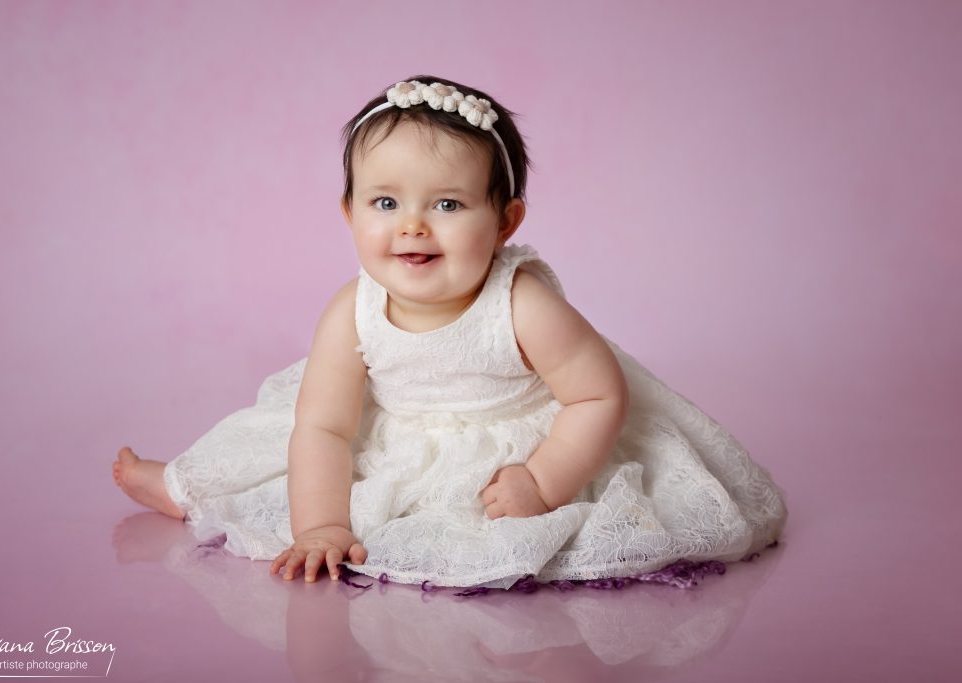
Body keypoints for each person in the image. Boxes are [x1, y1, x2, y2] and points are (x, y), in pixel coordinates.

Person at [112, 75, 787, 590]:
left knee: (527, 527)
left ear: (506, 221)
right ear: (349, 212)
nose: (413, 224)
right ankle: (180, 484)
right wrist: (320, 524)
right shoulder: (352, 309)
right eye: (385, 202)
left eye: (448, 203)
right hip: (392, 433)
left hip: (522, 441)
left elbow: (598, 396)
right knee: (271, 451)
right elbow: (321, 428)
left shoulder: (522, 304)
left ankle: (539, 498)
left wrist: (544, 480)